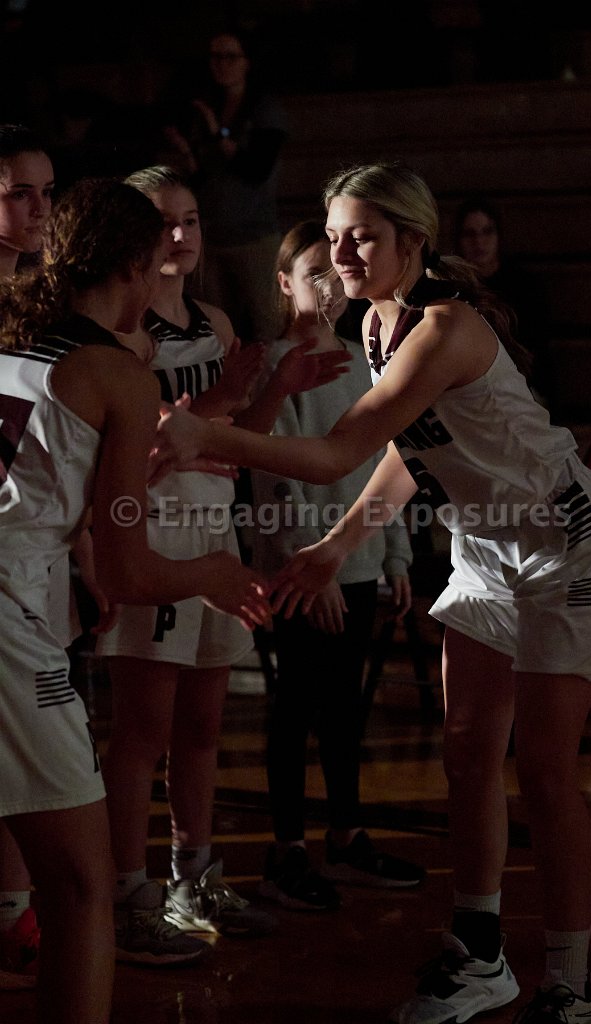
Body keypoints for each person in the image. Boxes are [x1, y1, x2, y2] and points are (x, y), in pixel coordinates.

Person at [149, 161, 591, 1024]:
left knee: (544, 772)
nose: (341, 254)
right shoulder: (377, 322)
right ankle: (480, 956)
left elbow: (337, 451)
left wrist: (205, 435)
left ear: (413, 239)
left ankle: (570, 985)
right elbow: (410, 450)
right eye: (333, 237)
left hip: (565, 545)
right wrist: (337, 544)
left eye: (361, 237)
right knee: (466, 754)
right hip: (485, 544)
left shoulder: (444, 327)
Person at [0, 175, 272, 1024]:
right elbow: (129, 572)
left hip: (23, 595)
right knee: (82, 887)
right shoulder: (116, 375)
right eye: (157, 261)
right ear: (132, 265)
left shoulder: (13, 338)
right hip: (7, 618)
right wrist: (212, 574)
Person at [94, 166, 350, 961]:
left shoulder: (211, 319)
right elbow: (141, 452)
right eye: (163, 221)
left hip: (214, 532)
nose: (180, 235)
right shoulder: (120, 330)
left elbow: (237, 443)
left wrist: (275, 388)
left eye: (192, 219)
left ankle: (192, 878)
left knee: (203, 725)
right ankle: (126, 890)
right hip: (149, 534)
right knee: (142, 729)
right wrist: (212, 408)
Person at [249, 220, 424, 911]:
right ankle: (286, 848)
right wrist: (305, 562)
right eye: (311, 273)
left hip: (356, 561)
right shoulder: (273, 365)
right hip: (302, 567)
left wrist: (396, 554)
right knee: (296, 704)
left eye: (334, 271)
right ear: (283, 283)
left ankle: (346, 835)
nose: (327, 286)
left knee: (345, 708)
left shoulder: (366, 355)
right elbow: (274, 477)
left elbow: (393, 458)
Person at [0, 122, 54, 992]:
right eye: (19, 192)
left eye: (48, 191)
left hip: (38, 545)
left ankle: (13, 908)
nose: (40, 208)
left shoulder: (46, 301)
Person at [159, 22, 288, 343]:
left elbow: (255, 170)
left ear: (247, 61)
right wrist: (186, 151)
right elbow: (202, 178)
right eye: (215, 57)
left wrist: (218, 133)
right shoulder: (206, 108)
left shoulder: (264, 108)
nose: (221, 64)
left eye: (230, 56)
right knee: (216, 326)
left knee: (268, 323)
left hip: (254, 234)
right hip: (213, 234)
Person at [453, 193, 551, 403]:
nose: (479, 242)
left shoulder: (524, 286)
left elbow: (537, 348)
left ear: (498, 235)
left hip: (518, 385)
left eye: (487, 232)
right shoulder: (454, 288)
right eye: (470, 234)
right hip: (468, 387)